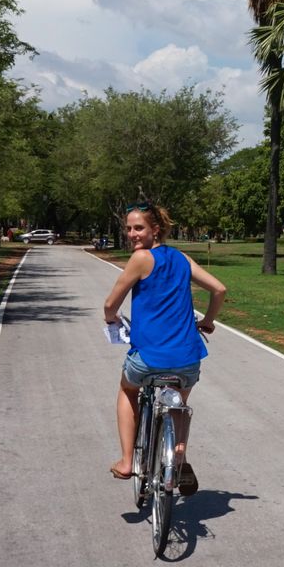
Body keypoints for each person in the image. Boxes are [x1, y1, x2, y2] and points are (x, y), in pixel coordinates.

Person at [102, 201, 226, 491]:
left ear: (155, 229)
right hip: (188, 359)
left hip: (148, 359)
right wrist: (207, 321)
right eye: (128, 228)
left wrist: (112, 319)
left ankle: (126, 461)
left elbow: (110, 304)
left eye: (138, 228)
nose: (132, 234)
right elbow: (219, 289)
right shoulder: (182, 258)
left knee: (127, 389)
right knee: (178, 404)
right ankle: (178, 459)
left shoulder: (141, 258)